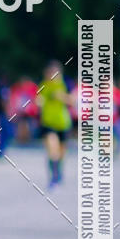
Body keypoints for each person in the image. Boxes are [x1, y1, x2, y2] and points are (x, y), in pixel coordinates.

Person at [38, 60, 72, 188]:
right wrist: (38, 102)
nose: (51, 76)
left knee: (61, 152)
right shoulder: (43, 85)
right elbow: (38, 98)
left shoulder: (66, 84)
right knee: (53, 150)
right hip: (48, 123)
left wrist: (63, 97)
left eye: (53, 73)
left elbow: (74, 101)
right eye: (49, 73)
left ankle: (59, 171)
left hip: (63, 123)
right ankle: (53, 177)